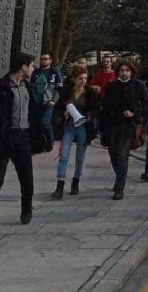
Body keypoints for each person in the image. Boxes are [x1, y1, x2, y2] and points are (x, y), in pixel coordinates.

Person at [0, 53, 37, 239]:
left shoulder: (27, 87)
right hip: (4, 139)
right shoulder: (0, 87)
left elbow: (33, 113)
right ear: (23, 67)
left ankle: (26, 208)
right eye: (31, 66)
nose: (32, 69)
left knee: (27, 178)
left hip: (22, 137)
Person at [101, 60, 148, 200]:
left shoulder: (139, 85)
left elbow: (146, 104)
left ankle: (119, 187)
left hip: (129, 126)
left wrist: (134, 113)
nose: (124, 73)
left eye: (127, 70)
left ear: (131, 71)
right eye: (122, 70)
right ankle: (119, 176)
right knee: (113, 153)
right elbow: (106, 105)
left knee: (122, 154)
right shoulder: (111, 86)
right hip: (113, 124)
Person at [51, 66, 99, 199]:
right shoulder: (67, 92)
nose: (83, 81)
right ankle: (60, 185)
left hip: (83, 126)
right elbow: (59, 107)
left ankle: (76, 181)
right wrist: (63, 114)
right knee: (64, 155)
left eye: (85, 78)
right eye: (80, 78)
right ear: (74, 79)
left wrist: (88, 116)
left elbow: (95, 109)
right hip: (70, 125)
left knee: (80, 157)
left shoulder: (89, 92)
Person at [30, 52, 63, 152]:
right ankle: (40, 144)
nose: (44, 61)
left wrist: (54, 100)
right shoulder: (36, 72)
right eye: (42, 59)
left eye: (46, 59)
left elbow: (59, 88)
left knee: (45, 123)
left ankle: (50, 140)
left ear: (50, 60)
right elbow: (31, 86)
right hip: (36, 102)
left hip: (48, 102)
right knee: (36, 124)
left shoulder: (54, 71)